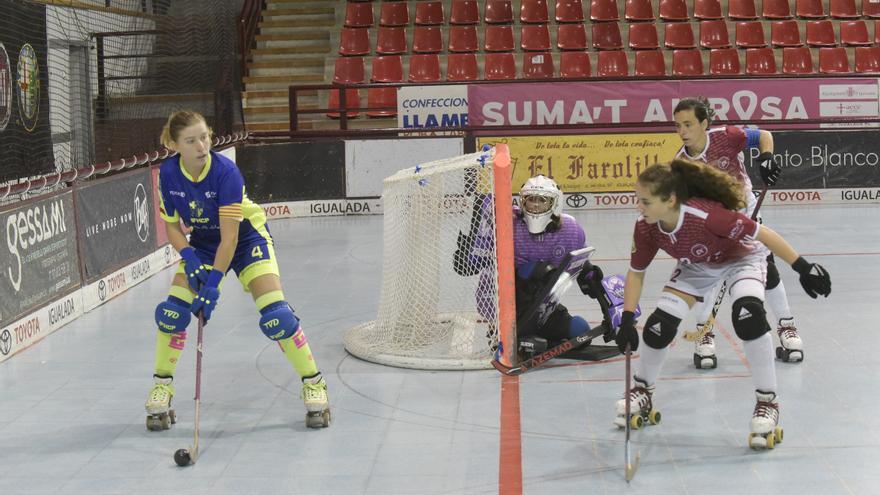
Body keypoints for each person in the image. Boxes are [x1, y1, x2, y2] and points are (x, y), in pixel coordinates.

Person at [613, 159, 830, 448]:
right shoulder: (646, 228)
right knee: (657, 326)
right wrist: (628, 318)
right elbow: (636, 273)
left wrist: (802, 267)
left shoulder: (708, 217)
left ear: (670, 200)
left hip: (742, 260)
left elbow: (763, 233)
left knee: (748, 316)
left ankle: (768, 402)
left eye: (645, 201)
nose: (639, 207)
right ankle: (643, 390)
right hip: (697, 267)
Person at [145, 110, 330, 430]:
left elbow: (229, 239)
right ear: (175, 145)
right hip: (202, 243)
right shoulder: (169, 173)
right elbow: (172, 227)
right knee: (172, 312)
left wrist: (213, 284)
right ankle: (162, 385)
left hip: (246, 239)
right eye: (191, 141)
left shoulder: (226, 173)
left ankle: (313, 382)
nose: (202, 145)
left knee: (277, 316)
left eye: (205, 136)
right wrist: (188, 257)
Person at [673, 97, 803, 368]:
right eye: (678, 126)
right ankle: (704, 333)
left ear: (704, 124)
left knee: (767, 268)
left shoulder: (727, 137)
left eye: (688, 124)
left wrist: (766, 158)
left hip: (745, 212)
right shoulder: (681, 165)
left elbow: (764, 135)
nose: (682, 131)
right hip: (711, 223)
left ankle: (786, 326)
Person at [457, 174, 611, 359]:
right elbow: (477, 261)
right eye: (530, 200)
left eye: (542, 200)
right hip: (508, 300)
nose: (535, 205)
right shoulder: (507, 223)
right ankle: (501, 330)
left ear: (554, 203)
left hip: (543, 306)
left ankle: (539, 337)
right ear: (522, 202)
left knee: (581, 332)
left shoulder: (570, 229)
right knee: (537, 270)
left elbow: (582, 266)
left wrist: (607, 308)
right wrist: (467, 257)